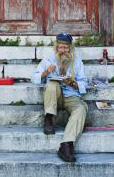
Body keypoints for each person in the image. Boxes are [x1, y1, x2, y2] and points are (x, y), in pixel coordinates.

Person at [31, 33, 88, 162]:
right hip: (54, 96)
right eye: (60, 47)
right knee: (51, 84)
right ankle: (49, 118)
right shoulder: (49, 60)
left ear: (70, 48)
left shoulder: (77, 62)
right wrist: (46, 72)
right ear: (56, 47)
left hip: (70, 95)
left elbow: (84, 83)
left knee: (81, 109)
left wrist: (72, 83)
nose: (62, 51)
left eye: (66, 48)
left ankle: (66, 145)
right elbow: (34, 77)